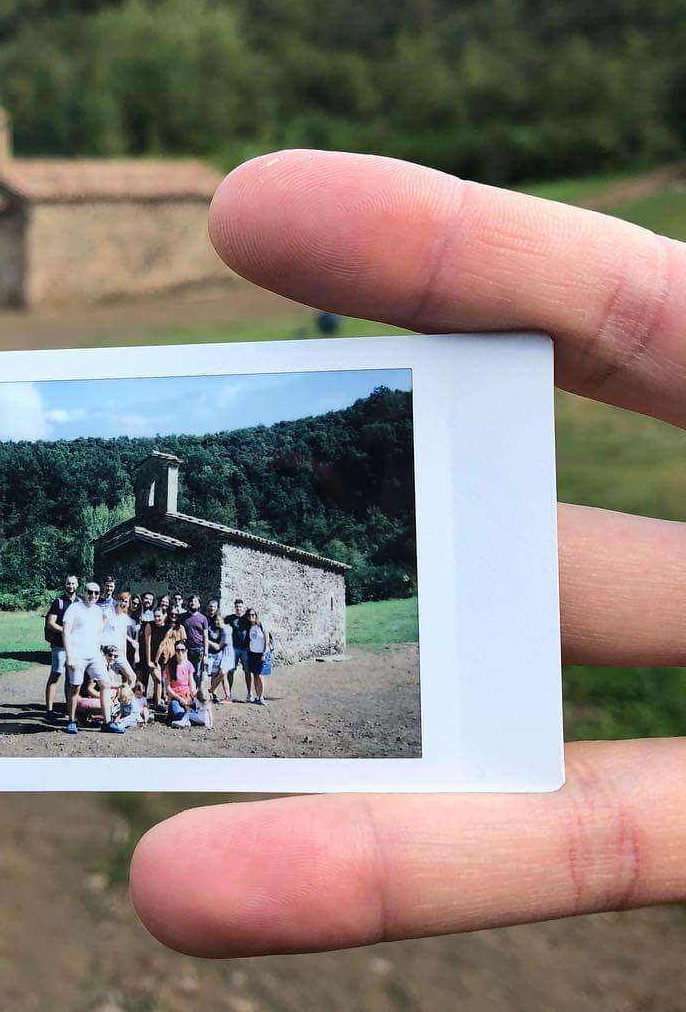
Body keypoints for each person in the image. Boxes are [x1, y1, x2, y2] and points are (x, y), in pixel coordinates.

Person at [127, 150, 686, 958]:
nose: (156, 489)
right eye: (154, 480)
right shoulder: (129, 551)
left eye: (161, 480)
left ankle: (229, 698)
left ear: (165, 484)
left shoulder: (242, 565)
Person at [63, 582, 124, 734]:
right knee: (75, 687)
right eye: (90, 592)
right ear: (84, 592)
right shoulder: (74, 608)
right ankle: (71, 720)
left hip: (94, 655)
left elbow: (98, 631)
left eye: (97, 593)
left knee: (105, 684)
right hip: (77, 655)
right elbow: (65, 632)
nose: (93, 596)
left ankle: (107, 722)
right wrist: (70, 655)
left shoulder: (98, 610)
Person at [43, 575, 78, 718]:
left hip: (74, 647)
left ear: (77, 585)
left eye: (73, 583)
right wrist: (66, 632)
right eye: (68, 583)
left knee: (71, 678)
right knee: (56, 674)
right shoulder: (59, 602)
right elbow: (50, 623)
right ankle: (49, 710)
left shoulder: (80, 602)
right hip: (59, 646)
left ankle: (68, 708)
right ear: (65, 585)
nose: (70, 586)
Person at [101, 591, 137, 685]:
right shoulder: (108, 613)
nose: (123, 603)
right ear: (117, 600)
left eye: (126, 601)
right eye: (122, 600)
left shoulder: (125, 618)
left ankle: (125, 698)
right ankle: (110, 699)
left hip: (119, 652)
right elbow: (99, 631)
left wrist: (124, 656)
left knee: (132, 677)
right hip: (107, 651)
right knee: (109, 680)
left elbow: (123, 638)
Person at [205, 599, 233, 703]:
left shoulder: (225, 629)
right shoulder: (210, 622)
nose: (217, 622)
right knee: (217, 674)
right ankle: (214, 694)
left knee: (222, 674)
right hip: (218, 652)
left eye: (219, 621)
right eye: (216, 620)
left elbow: (218, 646)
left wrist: (206, 641)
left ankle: (215, 693)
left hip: (225, 653)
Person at [225, 598, 253, 701]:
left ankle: (250, 694)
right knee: (231, 671)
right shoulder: (229, 619)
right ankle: (229, 694)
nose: (238, 609)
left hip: (246, 649)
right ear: (234, 607)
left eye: (240, 607)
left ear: (243, 607)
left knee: (247, 671)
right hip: (234, 649)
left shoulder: (248, 619)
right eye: (237, 607)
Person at [165, 640, 196, 722]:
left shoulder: (189, 665)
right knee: (178, 715)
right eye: (178, 650)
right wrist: (179, 698)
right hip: (175, 697)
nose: (180, 652)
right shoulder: (170, 666)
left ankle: (186, 716)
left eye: (182, 650)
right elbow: (168, 688)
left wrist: (193, 695)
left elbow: (191, 683)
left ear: (186, 651)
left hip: (187, 697)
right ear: (175, 651)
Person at [245, 609, 270, 704]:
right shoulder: (250, 626)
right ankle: (257, 696)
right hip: (253, 653)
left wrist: (264, 653)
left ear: (256, 615)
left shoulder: (262, 625)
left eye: (253, 615)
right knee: (255, 675)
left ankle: (261, 696)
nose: (251, 617)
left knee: (260, 675)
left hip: (261, 653)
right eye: (249, 615)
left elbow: (266, 640)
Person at [182, 594, 209, 682]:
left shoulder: (203, 618)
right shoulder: (183, 617)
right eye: (191, 601)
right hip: (185, 649)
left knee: (197, 672)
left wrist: (205, 654)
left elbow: (205, 636)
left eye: (195, 601)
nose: (193, 603)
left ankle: (195, 693)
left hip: (198, 649)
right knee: (185, 671)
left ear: (199, 604)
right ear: (189, 603)